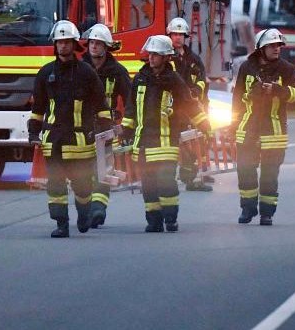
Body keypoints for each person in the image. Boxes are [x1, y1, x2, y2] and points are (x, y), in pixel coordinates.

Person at [28, 20, 112, 238]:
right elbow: (38, 108)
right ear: (55, 44)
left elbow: (101, 105)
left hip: (80, 142)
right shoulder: (46, 73)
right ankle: (61, 223)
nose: (63, 46)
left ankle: (83, 213)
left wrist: (106, 133)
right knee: (55, 184)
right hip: (54, 141)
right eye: (59, 42)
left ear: (74, 45)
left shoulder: (87, 72)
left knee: (82, 186)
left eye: (67, 42)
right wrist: (33, 132)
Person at [121, 35, 210, 233]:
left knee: (166, 181)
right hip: (144, 142)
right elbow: (131, 106)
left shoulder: (174, 80)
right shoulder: (140, 79)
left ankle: (170, 218)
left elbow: (189, 104)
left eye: (156, 55)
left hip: (167, 141)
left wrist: (204, 124)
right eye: (150, 54)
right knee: (148, 184)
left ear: (166, 57)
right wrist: (126, 128)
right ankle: (154, 221)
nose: (151, 58)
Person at [231, 28, 295, 226]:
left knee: (270, 174)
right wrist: (233, 125)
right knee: (245, 169)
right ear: (261, 48)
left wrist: (278, 90)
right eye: (271, 46)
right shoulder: (247, 67)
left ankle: (267, 213)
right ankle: (248, 208)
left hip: (274, 130)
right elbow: (237, 98)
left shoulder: (287, 69)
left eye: (278, 45)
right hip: (248, 128)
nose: (276, 49)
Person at [81, 23, 131, 228]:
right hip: (81, 127)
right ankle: (86, 209)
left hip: (105, 127)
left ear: (106, 47)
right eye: (91, 42)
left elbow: (130, 100)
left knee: (103, 169)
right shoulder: (78, 68)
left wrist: (128, 125)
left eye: (98, 43)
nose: (94, 46)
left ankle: (98, 208)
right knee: (83, 170)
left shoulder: (117, 71)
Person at [167, 17, 213, 192]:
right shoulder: (166, 56)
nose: (177, 37)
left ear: (185, 36)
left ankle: (190, 179)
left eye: (181, 34)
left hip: (190, 109)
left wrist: (196, 93)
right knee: (171, 146)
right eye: (174, 34)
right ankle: (165, 179)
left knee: (192, 144)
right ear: (169, 35)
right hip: (172, 110)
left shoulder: (193, 59)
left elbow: (202, 80)